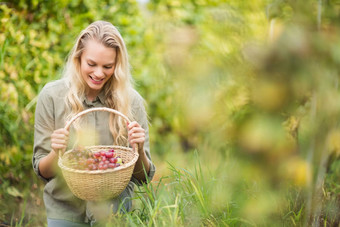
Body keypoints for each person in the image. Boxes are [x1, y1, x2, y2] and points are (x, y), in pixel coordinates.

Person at [32, 20, 155, 226]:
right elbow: (43, 172)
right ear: (78, 58)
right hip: (65, 210)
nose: (99, 73)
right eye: (91, 64)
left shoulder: (131, 101)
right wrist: (55, 152)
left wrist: (139, 150)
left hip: (114, 213)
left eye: (108, 66)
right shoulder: (52, 96)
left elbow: (143, 179)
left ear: (117, 65)